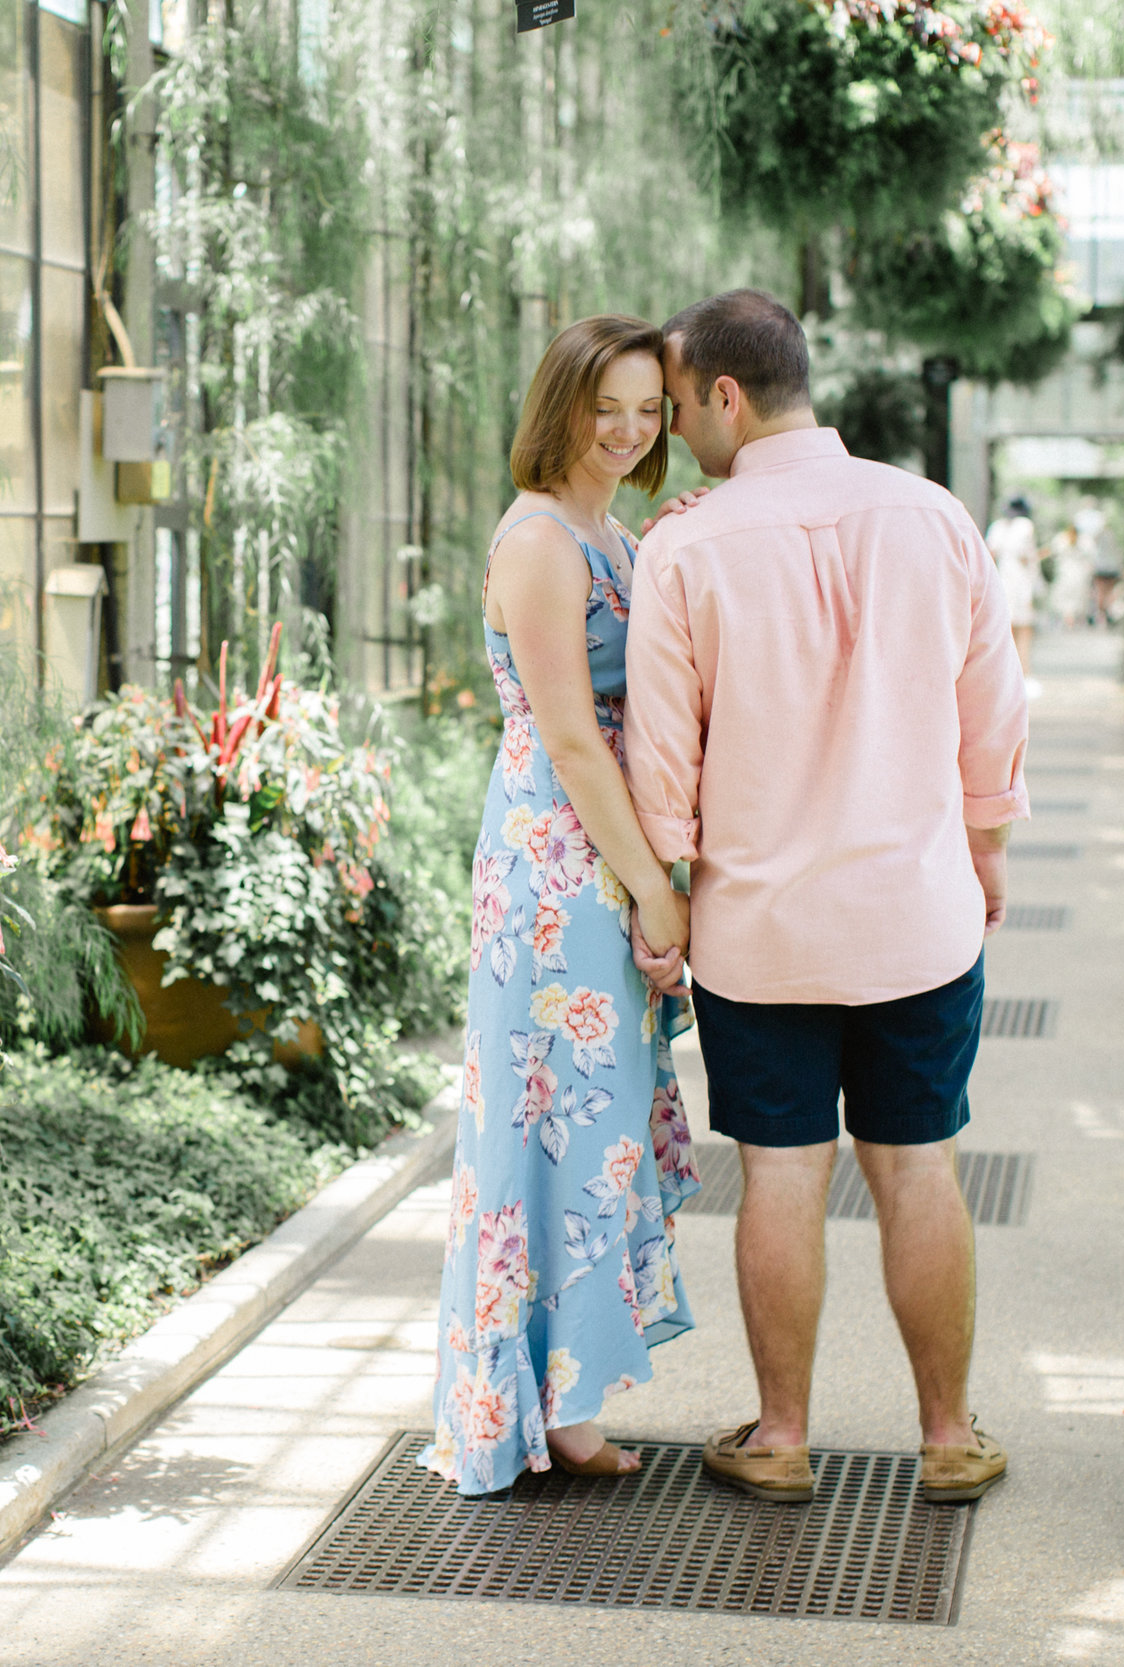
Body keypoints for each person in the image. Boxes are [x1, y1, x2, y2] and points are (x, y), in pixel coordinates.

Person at [623, 288, 1028, 1506]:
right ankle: (949, 1432)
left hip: (762, 936)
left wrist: (667, 891)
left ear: (727, 396)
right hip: (917, 915)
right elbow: (990, 704)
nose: (673, 432)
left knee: (784, 1172)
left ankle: (783, 1434)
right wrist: (986, 846)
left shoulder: (686, 547)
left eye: (681, 405)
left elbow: (660, 754)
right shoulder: (932, 515)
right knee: (918, 1166)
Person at [420, 314, 703, 1496]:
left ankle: (566, 1388)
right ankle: (534, 1401)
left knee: (589, 1125)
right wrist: (653, 887)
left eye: (650, 409)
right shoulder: (540, 539)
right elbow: (575, 740)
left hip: (602, 853)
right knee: (549, 1125)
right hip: (557, 864)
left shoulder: (611, 531)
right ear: (562, 404)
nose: (630, 429)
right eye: (609, 407)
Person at [985, 496, 1042, 676]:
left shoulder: (996, 527)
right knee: (1024, 630)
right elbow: (1027, 557)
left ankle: (1007, 676)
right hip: (1021, 580)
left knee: (1005, 630)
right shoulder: (1025, 526)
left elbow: (990, 555)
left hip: (1002, 580)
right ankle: (1025, 673)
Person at [1081, 503, 1123, 627]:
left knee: (1100, 591)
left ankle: (1100, 615)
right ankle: (1108, 614)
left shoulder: (1096, 535)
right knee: (1109, 591)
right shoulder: (1114, 535)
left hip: (1100, 566)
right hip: (1112, 566)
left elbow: (1090, 550)